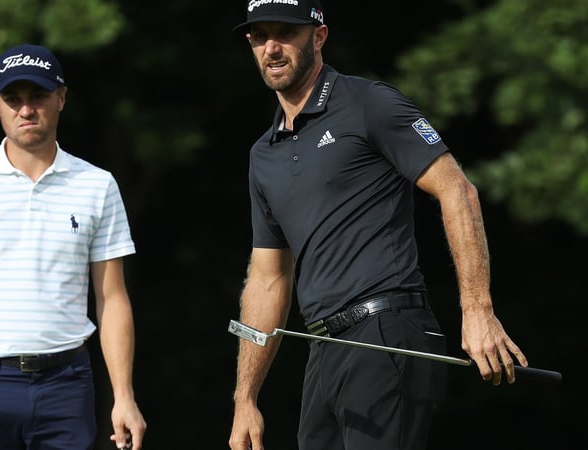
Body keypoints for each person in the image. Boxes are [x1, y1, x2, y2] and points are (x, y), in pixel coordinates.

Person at [227, 2, 529, 449]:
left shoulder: (369, 103)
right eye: (260, 36)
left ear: (318, 36)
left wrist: (477, 310)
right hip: (323, 350)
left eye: (285, 33)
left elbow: (457, 191)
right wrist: (245, 398)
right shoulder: (263, 155)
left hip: (387, 334)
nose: (272, 47)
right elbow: (268, 280)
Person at [0, 43, 146, 450]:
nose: (26, 109)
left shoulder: (97, 185)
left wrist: (123, 395)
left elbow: (112, 297)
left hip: (67, 386)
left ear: (61, 98)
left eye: (37, 95)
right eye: (13, 99)